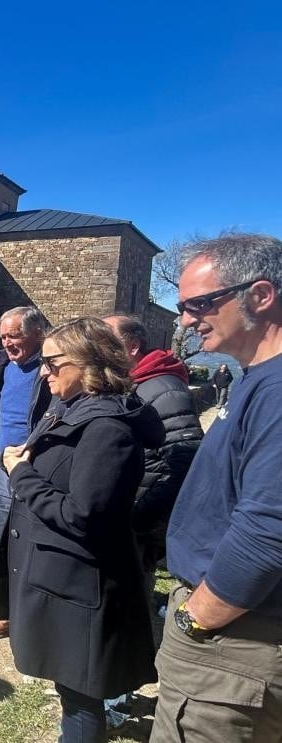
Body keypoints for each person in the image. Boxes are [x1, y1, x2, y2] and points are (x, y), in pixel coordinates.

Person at [0, 317, 163, 742]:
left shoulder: (108, 429)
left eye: (53, 362)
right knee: (73, 693)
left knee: (82, 698)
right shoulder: (69, 409)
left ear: (89, 364)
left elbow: (81, 515)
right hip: (62, 580)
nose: (43, 371)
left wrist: (20, 473)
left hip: (83, 587)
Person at [151, 233, 282, 743]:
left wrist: (195, 619)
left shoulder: (276, 390)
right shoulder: (255, 377)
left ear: (261, 295)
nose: (185, 319)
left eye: (200, 304)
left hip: (232, 649)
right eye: (183, 307)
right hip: (233, 644)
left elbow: (268, 530)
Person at [102, 314, 203, 729]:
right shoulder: (135, 384)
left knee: (127, 610)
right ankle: (112, 691)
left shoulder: (162, 387)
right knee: (119, 607)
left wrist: (138, 519)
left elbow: (183, 460)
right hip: (125, 519)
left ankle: (115, 699)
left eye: (106, 341)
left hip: (136, 525)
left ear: (132, 348)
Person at [0, 306, 53, 639]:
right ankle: (6, 613)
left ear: (37, 333)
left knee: (37, 541)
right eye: (4, 335)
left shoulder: (51, 371)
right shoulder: (2, 368)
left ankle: (38, 614)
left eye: (14, 335)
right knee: (2, 541)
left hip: (37, 471)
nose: (7, 342)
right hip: (2, 471)